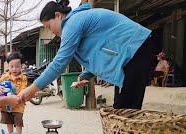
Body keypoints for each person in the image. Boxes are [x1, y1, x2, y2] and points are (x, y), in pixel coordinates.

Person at [19, 0, 154, 110]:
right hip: (130, 55)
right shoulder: (76, 21)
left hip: (135, 50)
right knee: (121, 108)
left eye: (49, 26)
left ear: (58, 15)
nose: (52, 31)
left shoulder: (72, 23)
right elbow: (100, 51)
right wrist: (85, 75)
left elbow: (59, 63)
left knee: (126, 110)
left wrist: (32, 90)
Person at [0, 52, 28, 134]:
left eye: (17, 66)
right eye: (11, 66)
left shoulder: (23, 78)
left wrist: (16, 98)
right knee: (8, 121)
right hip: (6, 106)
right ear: (8, 66)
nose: (14, 69)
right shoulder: (6, 76)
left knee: (18, 122)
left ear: (21, 66)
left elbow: (23, 90)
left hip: (18, 105)